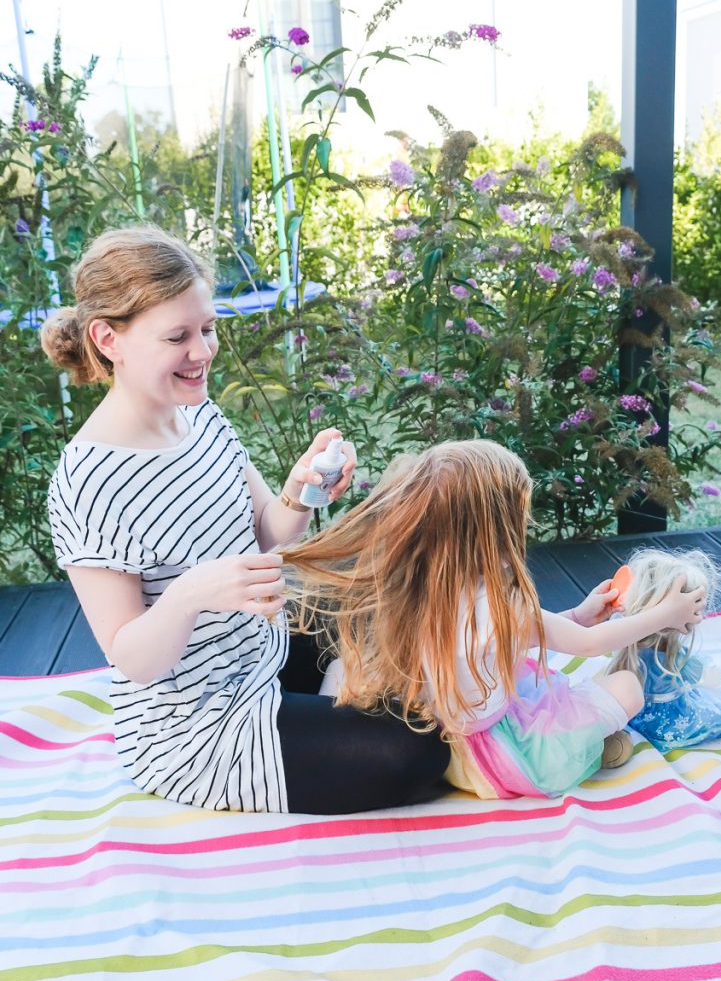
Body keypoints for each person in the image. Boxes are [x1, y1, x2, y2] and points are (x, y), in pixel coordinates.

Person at [42, 225, 452, 815]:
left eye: (207, 328)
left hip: (259, 651)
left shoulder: (199, 414)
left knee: (397, 609)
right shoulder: (88, 481)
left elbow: (266, 533)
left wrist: (301, 492)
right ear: (110, 339)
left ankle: (328, 701)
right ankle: (332, 706)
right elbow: (134, 658)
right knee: (417, 749)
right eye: (178, 336)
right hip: (196, 726)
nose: (203, 351)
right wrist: (189, 595)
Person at [281, 442, 706, 800]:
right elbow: (590, 646)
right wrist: (663, 615)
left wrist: (577, 616)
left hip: (442, 739)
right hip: (509, 759)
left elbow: (497, 643)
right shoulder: (506, 606)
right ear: (495, 531)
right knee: (625, 687)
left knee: (344, 664)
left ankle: (329, 727)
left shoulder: (419, 587)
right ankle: (593, 749)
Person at [604, 548, 721, 752]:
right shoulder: (672, 657)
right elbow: (712, 676)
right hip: (673, 727)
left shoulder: (620, 634)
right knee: (716, 714)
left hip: (634, 719)